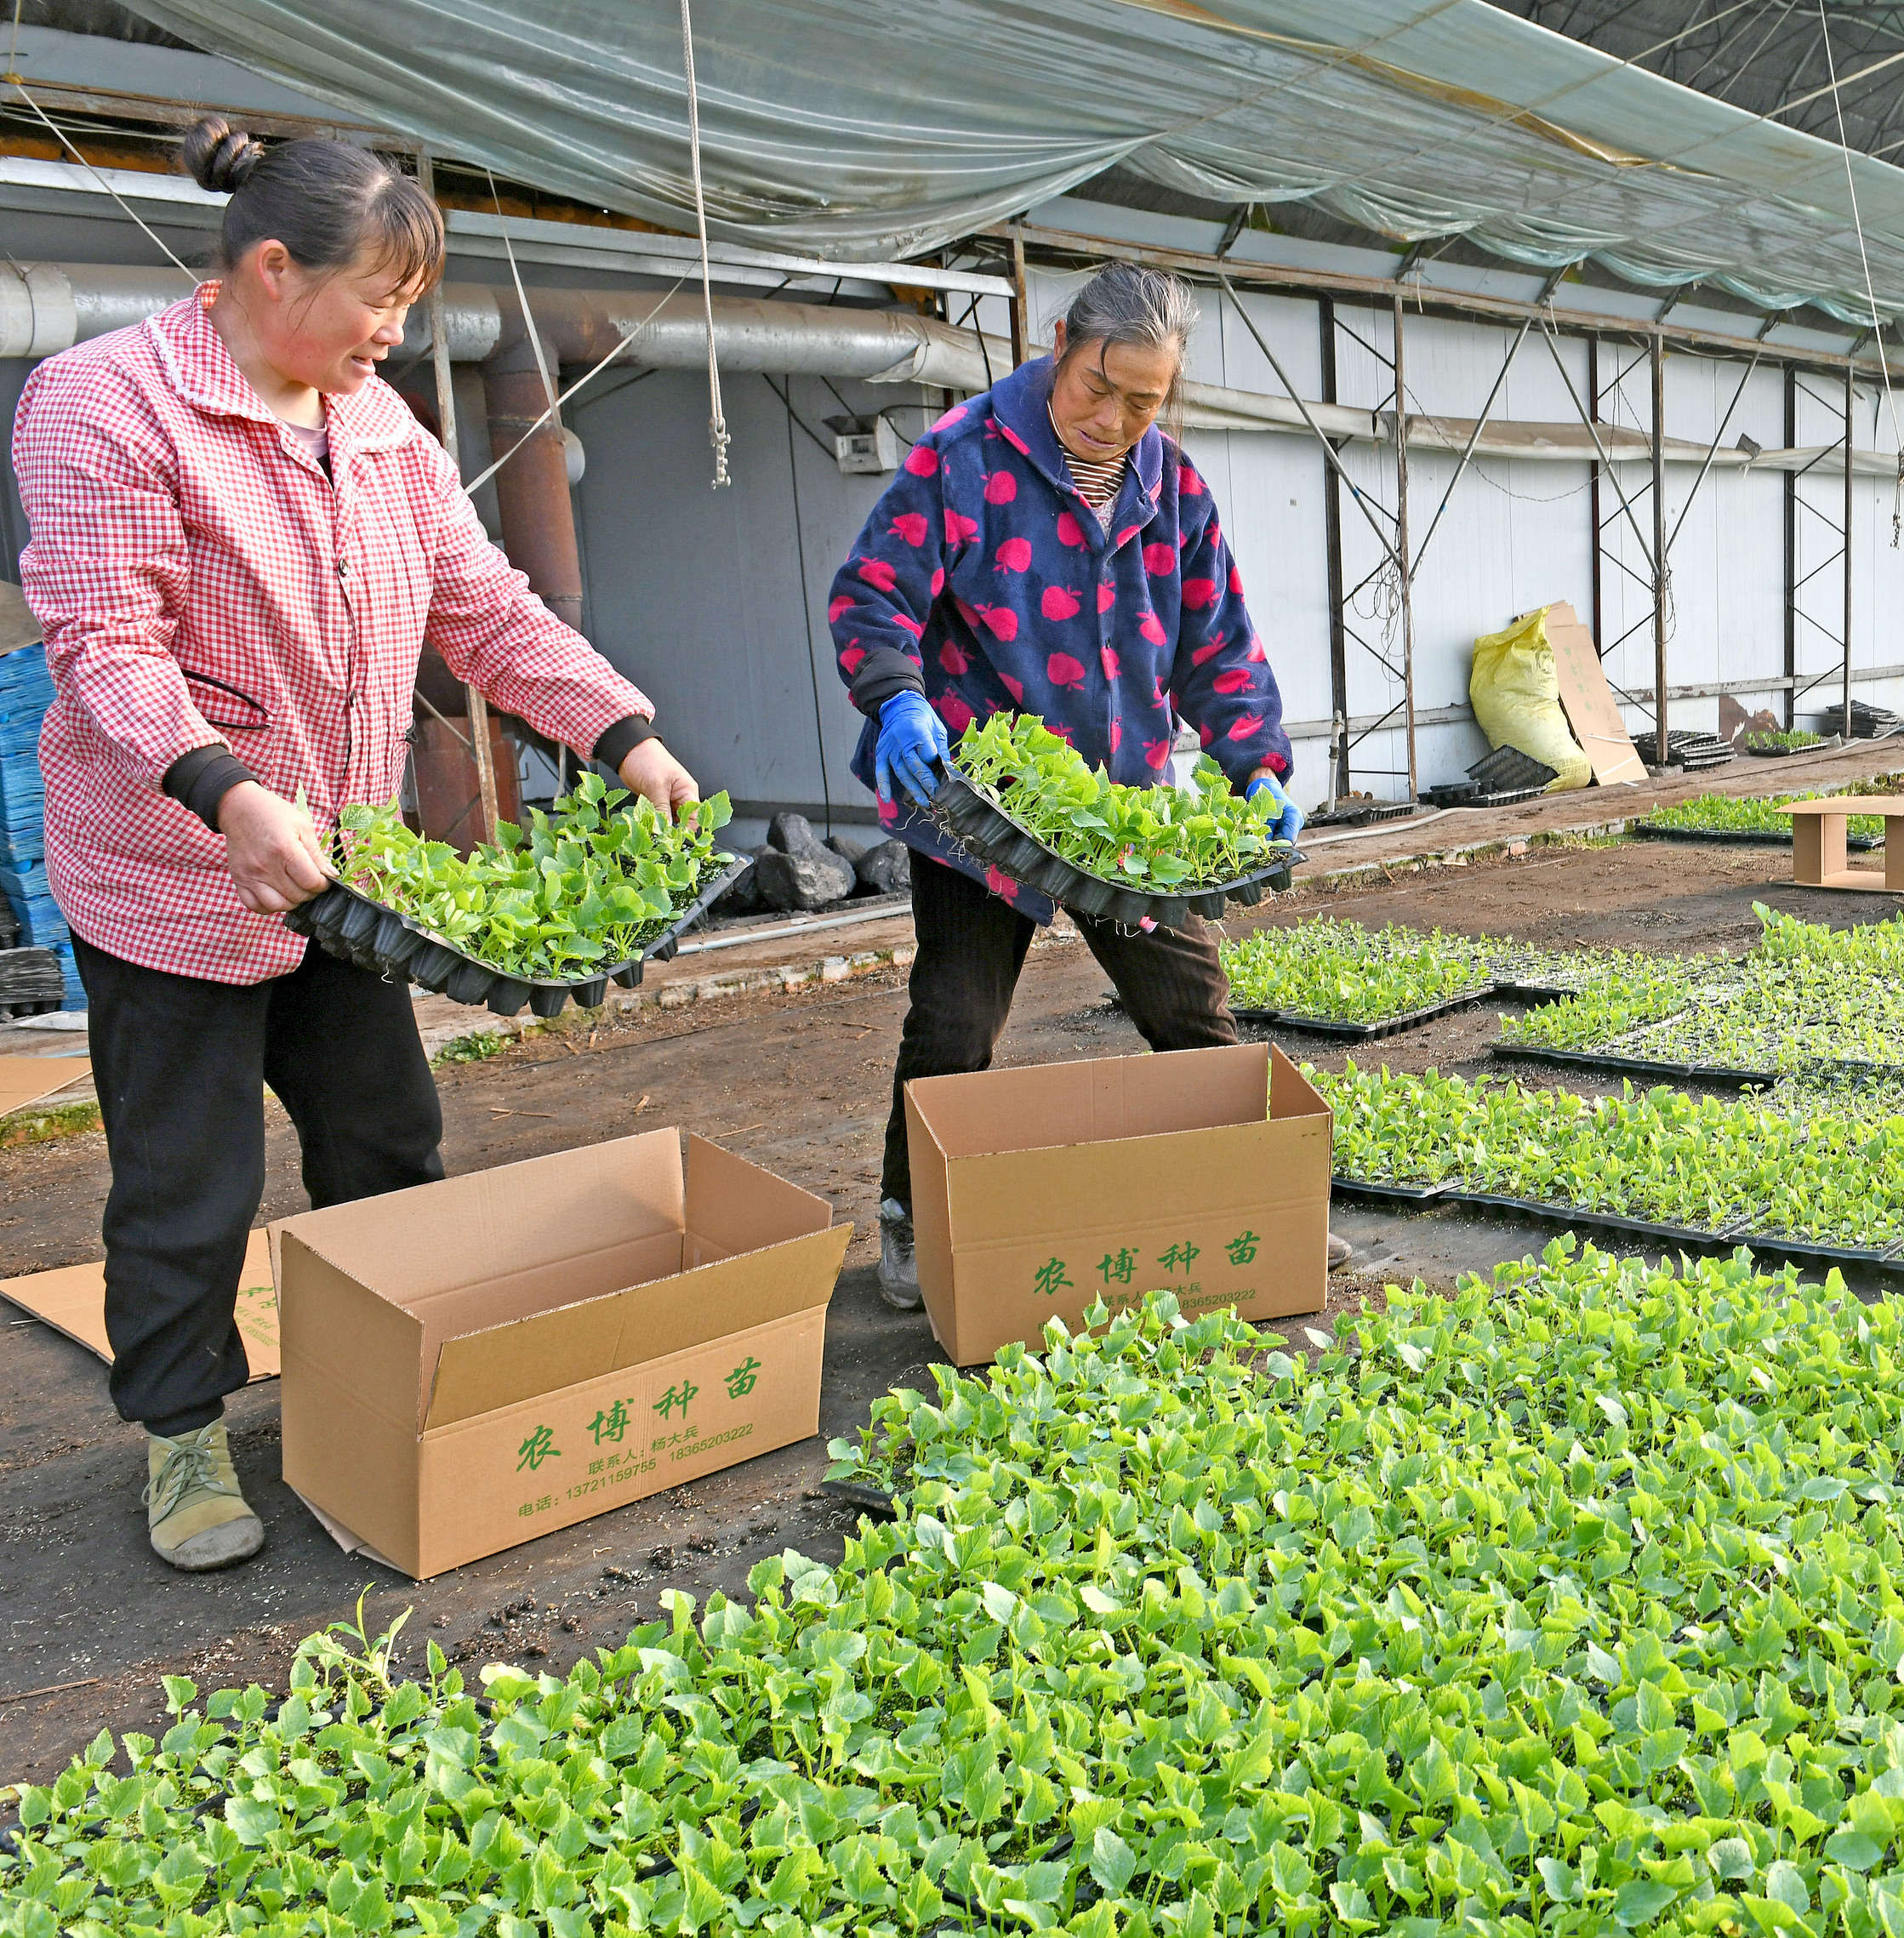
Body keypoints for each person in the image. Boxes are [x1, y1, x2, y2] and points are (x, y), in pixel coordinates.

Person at [12, 119, 702, 1570]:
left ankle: (390, 1378)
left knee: (387, 1137)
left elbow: (487, 611)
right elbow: (106, 641)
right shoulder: (106, 403)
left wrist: (622, 731)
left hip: (348, 873)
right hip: (172, 873)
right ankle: (183, 1433)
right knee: (188, 1182)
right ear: (275, 269)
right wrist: (221, 789)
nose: (395, 330)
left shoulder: (382, 429)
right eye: (380, 298)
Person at [830, 261, 1304, 1313]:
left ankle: (1252, 1200)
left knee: (1188, 1007)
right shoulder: (963, 458)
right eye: (1099, 386)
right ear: (1059, 346)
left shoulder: (1171, 489)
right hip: (984, 805)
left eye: (1145, 401)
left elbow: (1216, 643)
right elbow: (874, 593)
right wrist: (897, 697)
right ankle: (912, 1218)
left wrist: (1258, 765)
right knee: (955, 1019)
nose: (1113, 419)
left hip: (1119, 808)